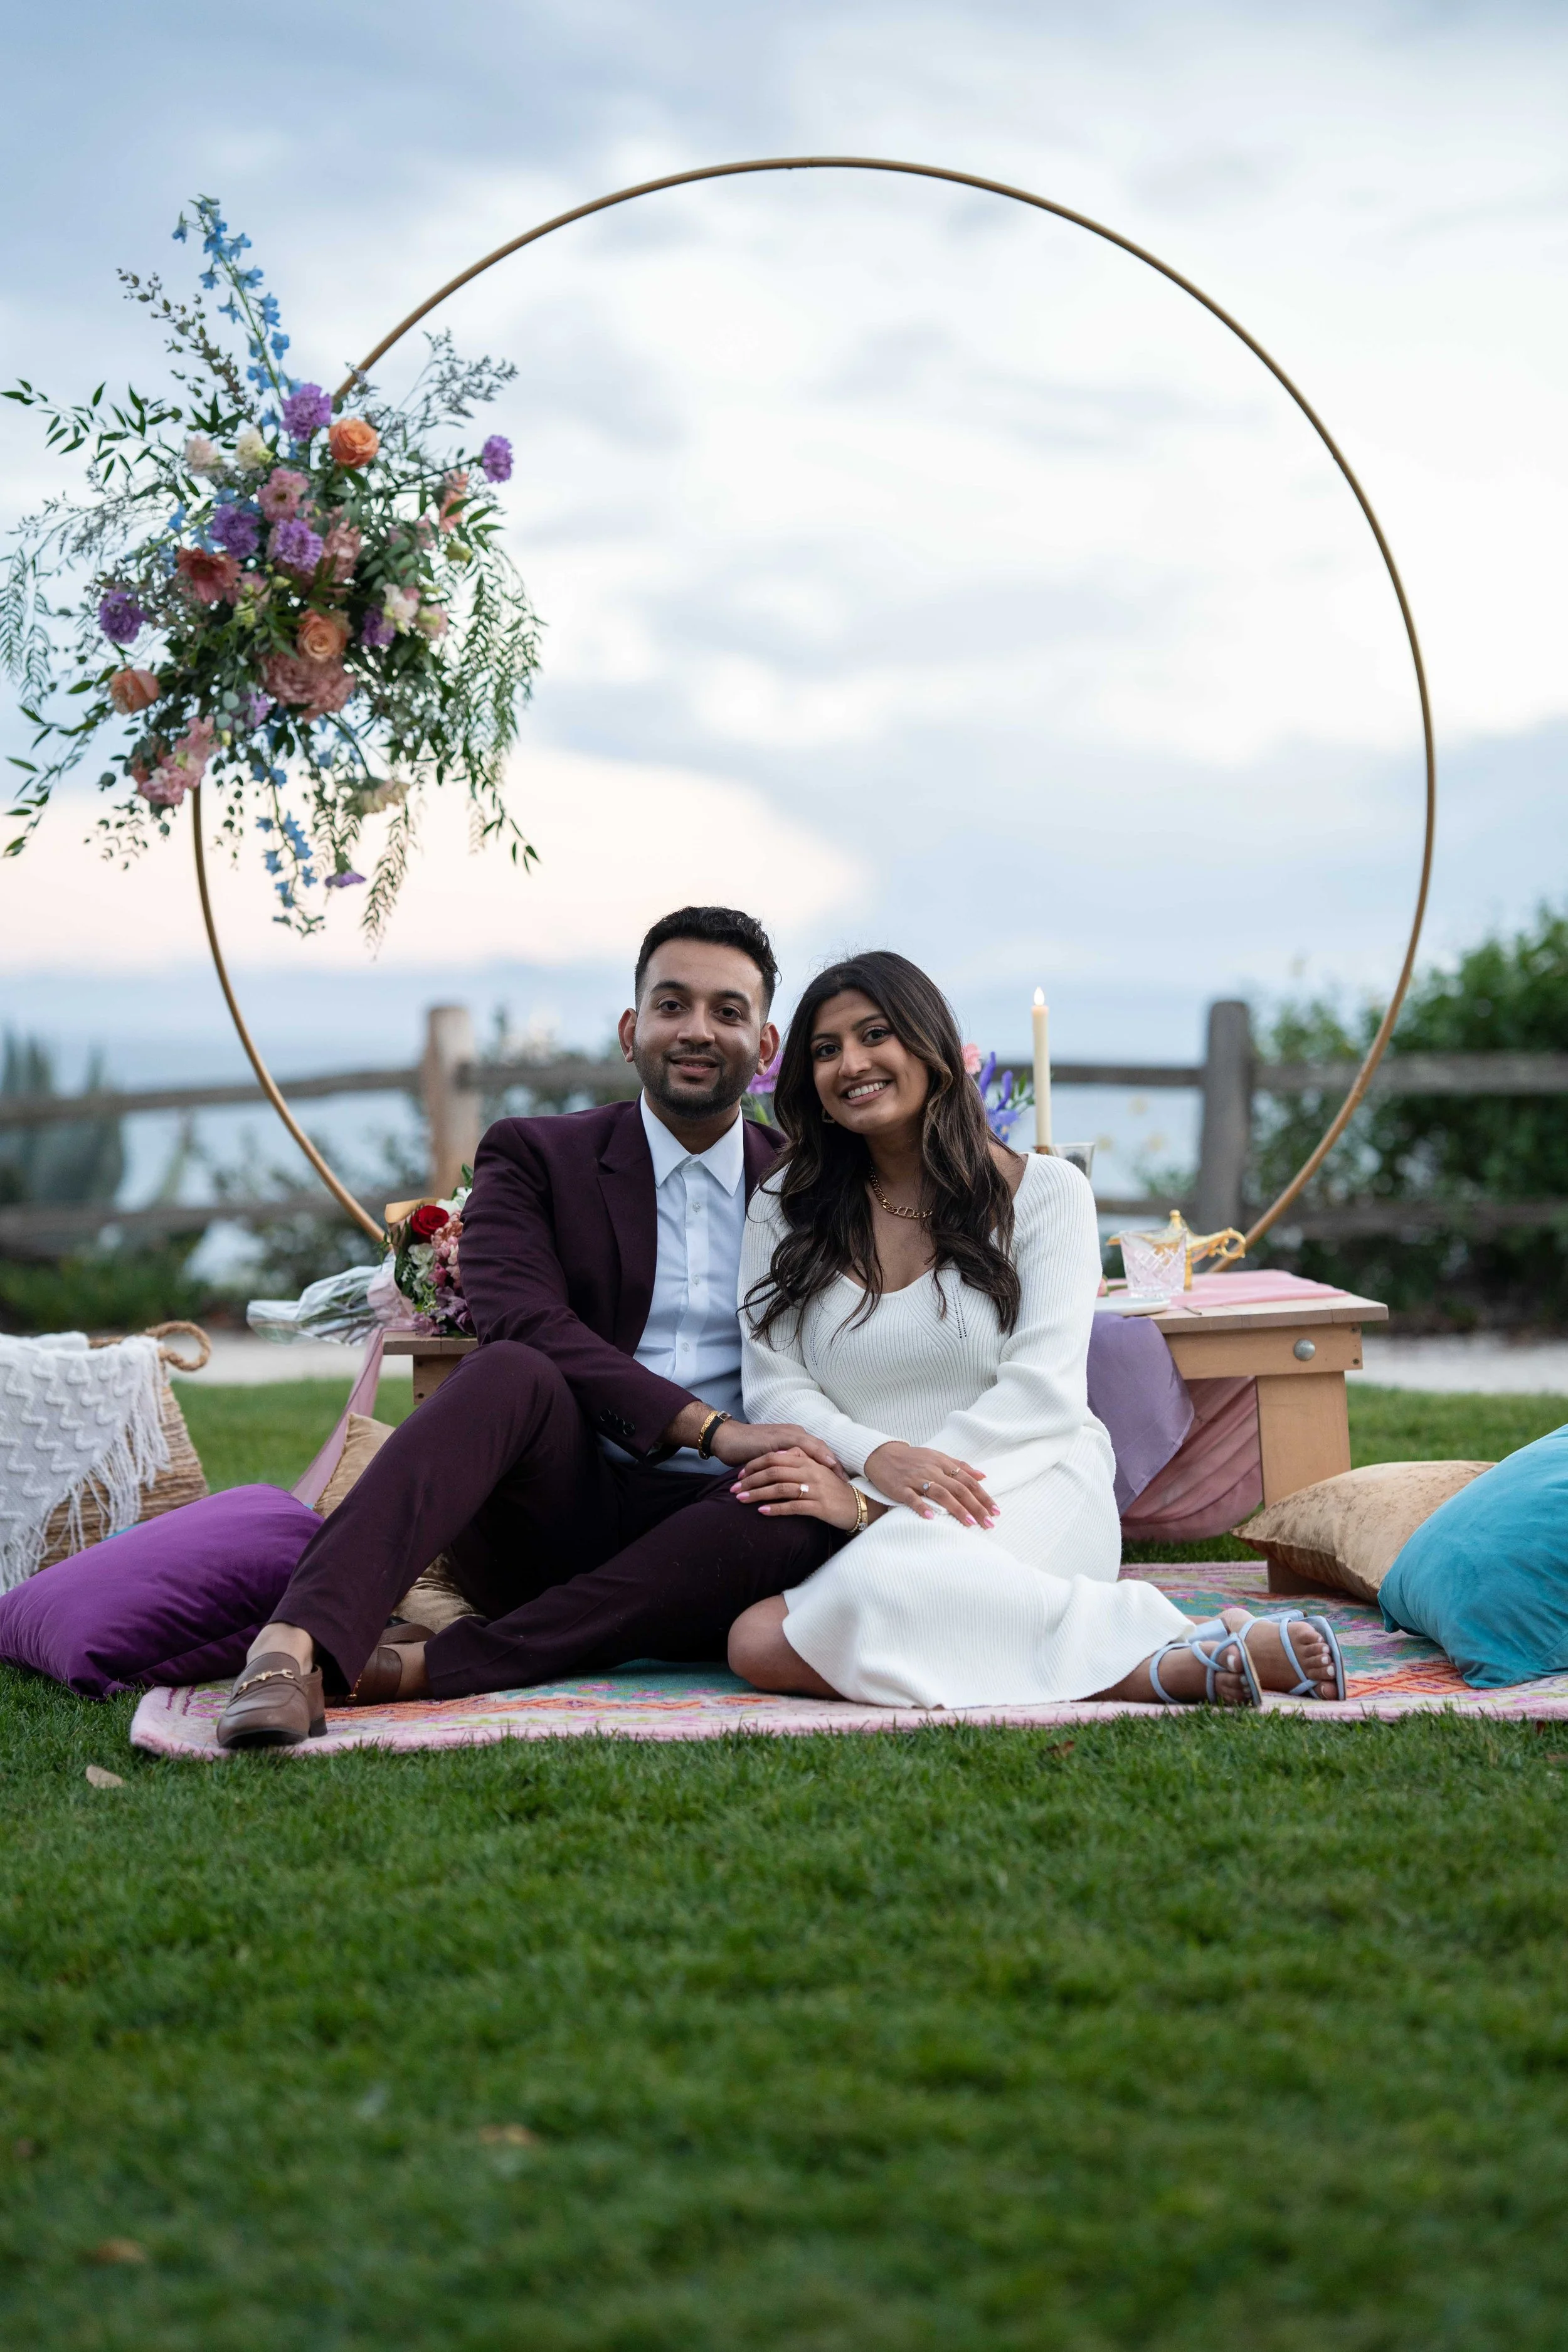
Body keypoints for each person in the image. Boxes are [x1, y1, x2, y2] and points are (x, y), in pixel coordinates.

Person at [217, 905, 849, 1750]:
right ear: (632, 1029)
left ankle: (427, 1667)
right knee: (512, 1366)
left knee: (807, 1507)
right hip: (556, 1505)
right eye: (672, 1005)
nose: (697, 1030)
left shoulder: (807, 1187)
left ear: (765, 1048)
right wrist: (711, 1428)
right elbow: (528, 1318)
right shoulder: (535, 1155)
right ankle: (290, 1645)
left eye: (728, 1011)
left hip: (717, 1530)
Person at [725, 951, 1346, 1711]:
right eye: (825, 1049)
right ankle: (1167, 1655)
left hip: (1025, 1477)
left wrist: (887, 1506)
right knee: (756, 1640)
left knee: (881, 1587)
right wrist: (874, 1463)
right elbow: (774, 1382)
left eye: (874, 1034)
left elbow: (1041, 1394)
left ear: (930, 1048)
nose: (850, 1063)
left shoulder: (1047, 1193)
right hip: (857, 1485)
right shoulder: (783, 1203)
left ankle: (1159, 1654)